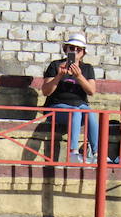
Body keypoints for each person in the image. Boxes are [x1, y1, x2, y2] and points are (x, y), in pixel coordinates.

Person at [40, 33, 99, 164]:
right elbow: (46, 91)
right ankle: (73, 152)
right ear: (66, 49)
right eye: (72, 48)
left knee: (90, 112)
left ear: (83, 53)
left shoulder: (87, 68)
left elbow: (91, 91)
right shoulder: (55, 65)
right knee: (75, 111)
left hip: (80, 106)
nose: (75, 51)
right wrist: (59, 76)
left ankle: (96, 153)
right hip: (57, 106)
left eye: (79, 49)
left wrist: (79, 77)